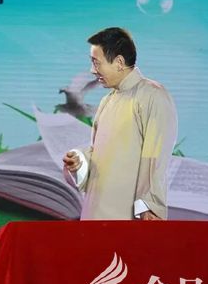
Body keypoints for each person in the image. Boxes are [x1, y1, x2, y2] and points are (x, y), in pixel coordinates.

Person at [63, 27, 177, 220]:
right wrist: (80, 161)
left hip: (128, 217)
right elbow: (100, 154)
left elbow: (155, 157)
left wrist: (149, 207)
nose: (92, 70)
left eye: (96, 62)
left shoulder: (153, 95)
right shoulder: (107, 100)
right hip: (95, 214)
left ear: (119, 62)